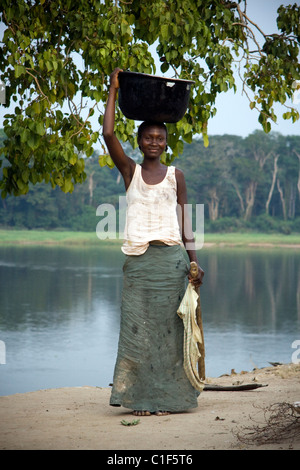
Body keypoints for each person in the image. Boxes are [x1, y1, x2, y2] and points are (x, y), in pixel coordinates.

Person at [103, 67, 204, 416]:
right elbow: (108, 133)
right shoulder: (130, 172)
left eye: (160, 138)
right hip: (139, 264)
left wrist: (193, 261)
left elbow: (186, 221)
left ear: (166, 143)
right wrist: (113, 89)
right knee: (137, 332)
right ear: (140, 142)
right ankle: (139, 400)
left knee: (171, 336)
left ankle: (169, 400)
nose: (155, 142)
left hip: (172, 263)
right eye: (148, 137)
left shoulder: (176, 176)